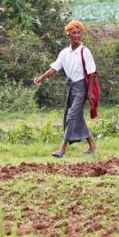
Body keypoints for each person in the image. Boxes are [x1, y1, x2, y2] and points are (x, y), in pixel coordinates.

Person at [33, 20, 98, 158]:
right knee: (77, 117)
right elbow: (54, 68)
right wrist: (41, 78)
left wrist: (90, 92)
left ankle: (62, 149)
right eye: (73, 33)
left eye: (78, 32)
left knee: (71, 116)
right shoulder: (65, 53)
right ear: (68, 34)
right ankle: (92, 146)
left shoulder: (84, 51)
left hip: (81, 88)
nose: (76, 35)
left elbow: (92, 73)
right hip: (71, 87)